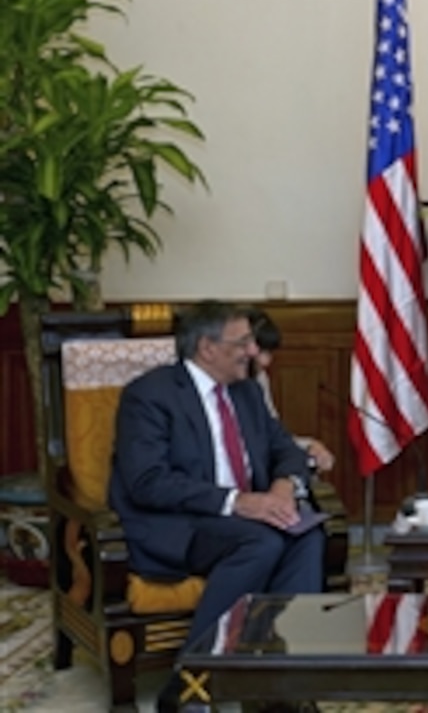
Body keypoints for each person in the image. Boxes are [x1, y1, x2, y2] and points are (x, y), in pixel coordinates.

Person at [107, 300, 324, 712]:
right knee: (261, 542)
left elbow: (286, 449)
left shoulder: (245, 391)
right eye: (242, 342)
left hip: (241, 520)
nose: (253, 351)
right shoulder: (149, 396)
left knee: (306, 533)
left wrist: (282, 486)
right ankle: (191, 683)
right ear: (207, 348)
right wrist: (237, 502)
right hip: (179, 523)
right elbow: (147, 482)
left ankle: (281, 683)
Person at [245, 308, 335, 472]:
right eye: (261, 351)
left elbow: (273, 435)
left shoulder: (260, 379)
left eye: (270, 353)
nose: (266, 362)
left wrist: (308, 446)